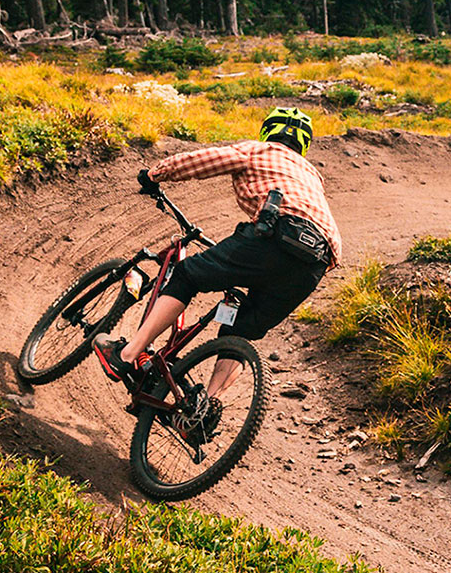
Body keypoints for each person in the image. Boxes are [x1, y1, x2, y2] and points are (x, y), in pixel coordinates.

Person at [94, 106, 341, 391]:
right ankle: (204, 410)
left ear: (267, 131)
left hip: (275, 237)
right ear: (304, 144)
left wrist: (155, 175)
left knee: (187, 275)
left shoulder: (259, 151)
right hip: (315, 263)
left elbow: (204, 161)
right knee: (241, 329)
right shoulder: (312, 174)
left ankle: (125, 356)